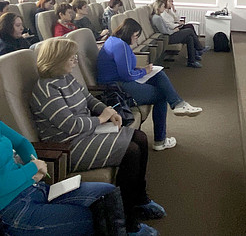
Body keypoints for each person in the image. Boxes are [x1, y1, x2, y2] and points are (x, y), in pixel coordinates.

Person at [0, 70, 129, 236]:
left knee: (107, 193)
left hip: (36, 189)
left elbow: (22, 143)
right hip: (11, 211)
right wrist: (32, 168)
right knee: (92, 219)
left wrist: (34, 164)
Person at [32, 39, 162, 235]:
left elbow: (88, 98)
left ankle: (140, 199)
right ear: (56, 60)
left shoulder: (66, 77)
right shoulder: (45, 89)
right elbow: (70, 125)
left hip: (87, 133)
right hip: (67, 146)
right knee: (131, 151)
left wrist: (107, 111)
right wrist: (101, 119)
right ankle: (128, 223)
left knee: (141, 138)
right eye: (71, 58)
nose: (75, 61)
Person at [97, 18, 202, 151]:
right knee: (161, 96)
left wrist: (142, 70)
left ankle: (178, 104)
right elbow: (127, 75)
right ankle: (160, 141)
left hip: (120, 81)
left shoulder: (115, 41)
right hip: (118, 88)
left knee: (158, 74)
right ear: (128, 33)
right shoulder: (120, 46)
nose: (136, 40)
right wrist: (144, 71)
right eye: (136, 36)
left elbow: (125, 69)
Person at [151, 0, 207, 68]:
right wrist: (174, 31)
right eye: (162, 6)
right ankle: (200, 48)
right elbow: (164, 31)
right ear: (158, 8)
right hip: (167, 37)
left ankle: (191, 61)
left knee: (189, 38)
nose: (164, 8)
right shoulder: (157, 18)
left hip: (169, 35)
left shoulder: (158, 16)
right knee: (189, 30)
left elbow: (166, 28)